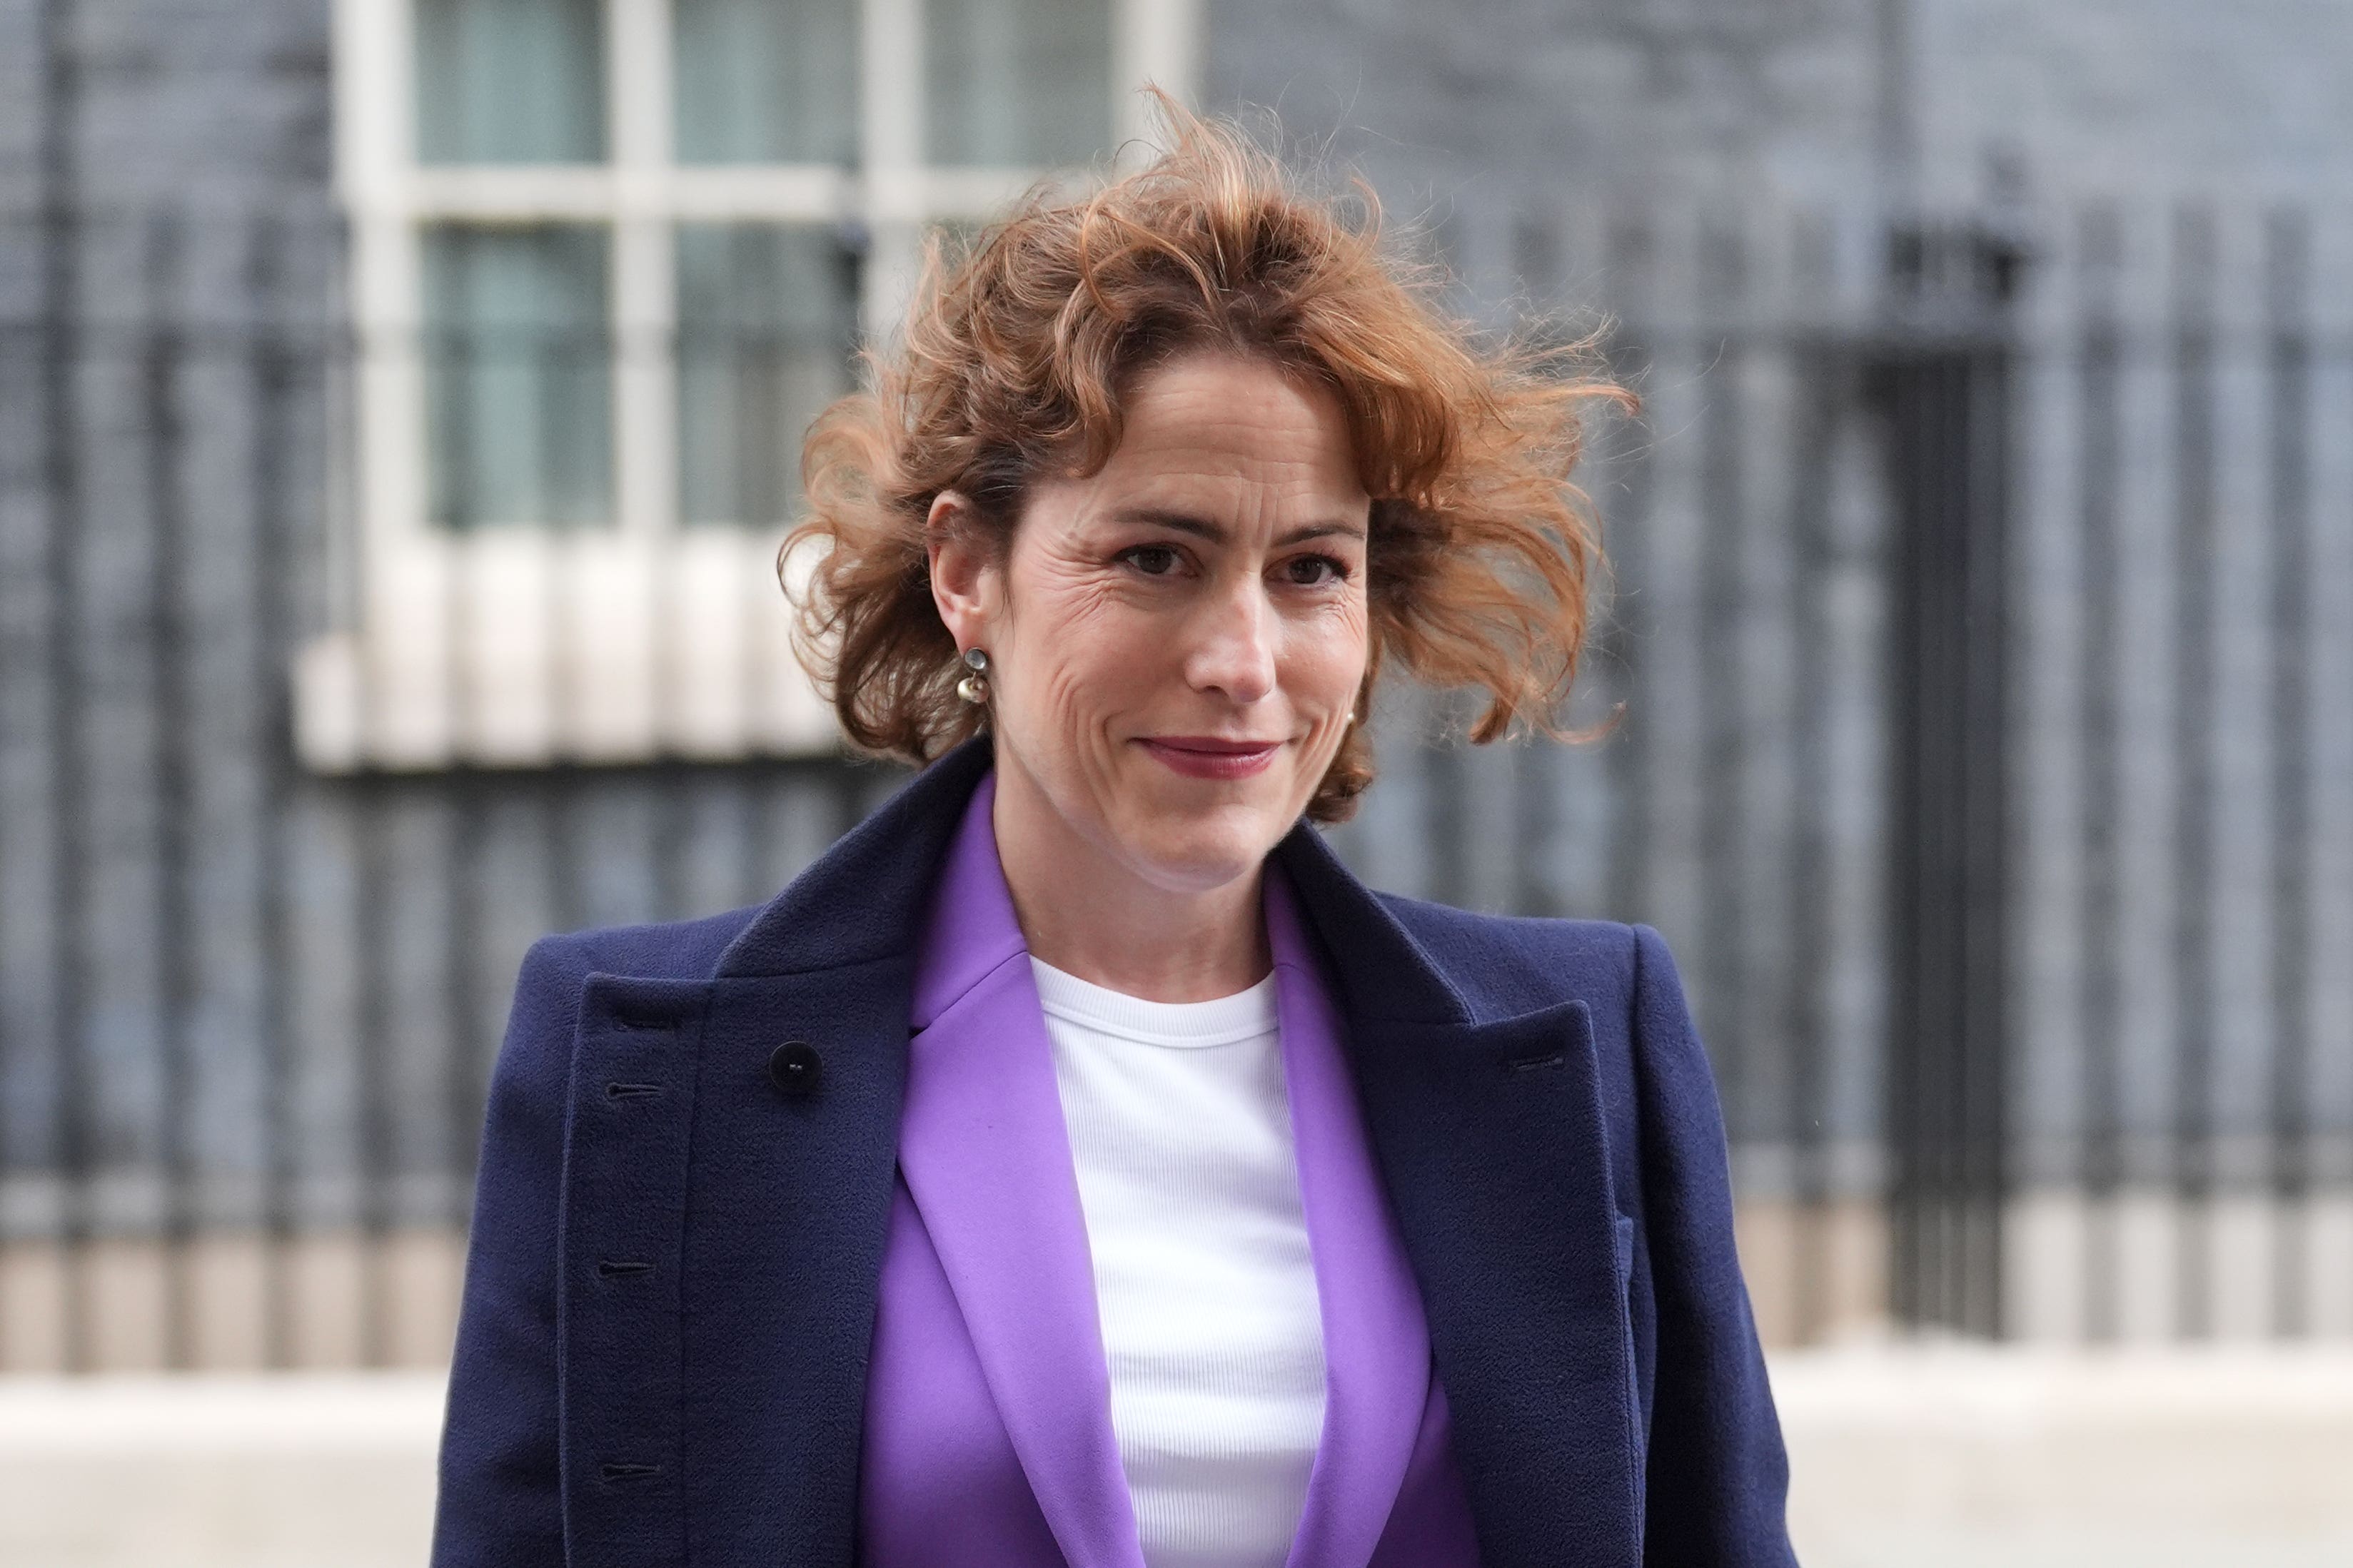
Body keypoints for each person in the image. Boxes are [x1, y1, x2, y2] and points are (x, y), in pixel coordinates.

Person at [431, 100, 1797, 1568]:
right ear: (968, 572)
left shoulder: (1588, 1037)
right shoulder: (633, 1064)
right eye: (1155, 557)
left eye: (1310, 570)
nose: (1242, 659)